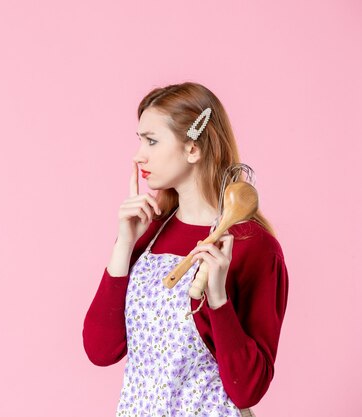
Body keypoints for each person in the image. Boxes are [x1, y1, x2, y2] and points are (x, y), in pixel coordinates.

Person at [82, 82, 289, 417]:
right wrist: (123, 245)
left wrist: (218, 299)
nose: (138, 155)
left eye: (151, 140)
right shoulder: (149, 232)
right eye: (139, 140)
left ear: (193, 149)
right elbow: (100, 350)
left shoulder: (254, 247)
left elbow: (248, 388)